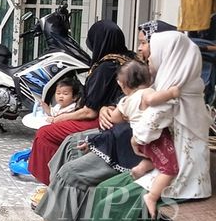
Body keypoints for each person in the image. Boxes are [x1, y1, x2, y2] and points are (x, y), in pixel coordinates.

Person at [7, 20, 178, 221]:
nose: (139, 49)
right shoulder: (151, 70)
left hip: (135, 150)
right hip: (121, 136)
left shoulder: (166, 80)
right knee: (71, 146)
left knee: (70, 171)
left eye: (143, 43)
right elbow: (128, 103)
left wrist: (112, 115)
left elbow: (143, 116)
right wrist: (111, 109)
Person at [67, 31, 211, 221]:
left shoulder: (173, 95)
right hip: (171, 168)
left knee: (111, 199)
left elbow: (146, 130)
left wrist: (135, 138)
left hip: (178, 179)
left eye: (151, 49)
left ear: (171, 56)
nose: (148, 56)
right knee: (105, 191)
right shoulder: (184, 88)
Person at [27, 20, 135, 185]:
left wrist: (59, 118)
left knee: (45, 134)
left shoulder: (106, 67)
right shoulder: (129, 59)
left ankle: (51, 184)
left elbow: (89, 111)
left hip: (101, 120)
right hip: (116, 116)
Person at [112, 60, 182, 219]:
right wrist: (171, 93)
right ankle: (152, 196)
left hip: (141, 141)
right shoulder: (146, 93)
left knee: (157, 160)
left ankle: (140, 169)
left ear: (122, 85)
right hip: (154, 140)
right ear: (148, 80)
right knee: (170, 168)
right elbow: (152, 100)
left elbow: (115, 118)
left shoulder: (125, 101)